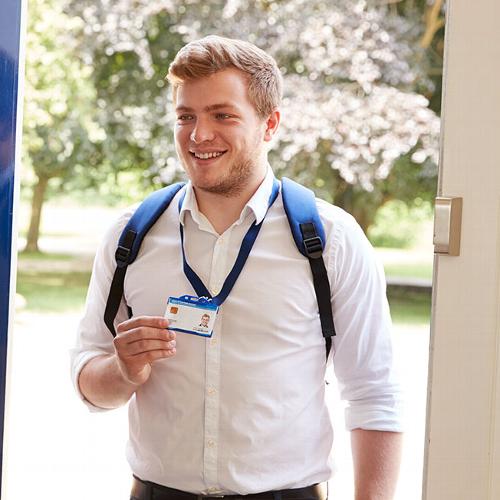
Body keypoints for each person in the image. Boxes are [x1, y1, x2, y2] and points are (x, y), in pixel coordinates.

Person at [71, 35, 403, 500]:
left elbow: (374, 395)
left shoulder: (331, 240)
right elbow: (88, 382)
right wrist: (123, 371)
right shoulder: (131, 236)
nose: (198, 135)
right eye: (186, 116)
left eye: (222, 115)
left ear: (270, 125)